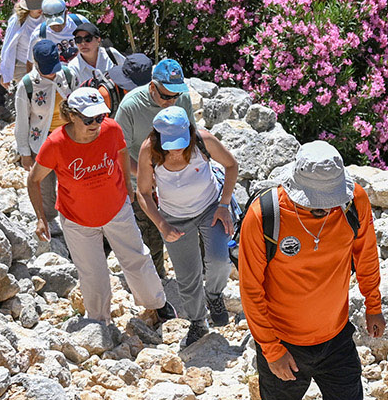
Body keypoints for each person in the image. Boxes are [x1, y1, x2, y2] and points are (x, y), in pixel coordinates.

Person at [239, 142, 383, 400]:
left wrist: (373, 304)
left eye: (329, 202)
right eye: (317, 204)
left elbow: (366, 254)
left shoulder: (352, 202)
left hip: (337, 338)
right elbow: (250, 288)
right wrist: (271, 349)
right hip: (284, 344)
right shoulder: (266, 215)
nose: (325, 210)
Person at [28, 89, 168, 343]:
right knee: (93, 273)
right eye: (88, 119)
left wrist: (127, 185)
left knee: (137, 258)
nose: (95, 124)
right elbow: (34, 179)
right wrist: (40, 217)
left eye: (99, 117)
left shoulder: (111, 129)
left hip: (116, 209)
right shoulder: (55, 143)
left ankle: (158, 307)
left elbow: (122, 151)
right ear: (71, 116)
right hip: (77, 219)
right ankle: (99, 323)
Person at [136, 105, 239, 343]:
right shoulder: (149, 150)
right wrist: (161, 224)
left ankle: (214, 294)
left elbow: (231, 165)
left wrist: (224, 205)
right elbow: (142, 193)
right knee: (187, 276)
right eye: (170, 144)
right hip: (174, 217)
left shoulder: (203, 141)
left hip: (210, 208)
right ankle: (197, 322)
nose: (176, 150)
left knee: (219, 260)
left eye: (180, 142)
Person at [116, 57, 195, 172]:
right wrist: (145, 176)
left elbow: (192, 135)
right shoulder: (130, 106)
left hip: (175, 172)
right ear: (153, 86)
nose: (172, 102)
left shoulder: (183, 98)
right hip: (138, 172)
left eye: (176, 95)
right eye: (166, 97)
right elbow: (120, 151)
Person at [13, 37, 65, 165]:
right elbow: (22, 121)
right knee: (43, 184)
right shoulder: (27, 85)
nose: (52, 74)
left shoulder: (68, 76)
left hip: (69, 140)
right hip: (41, 142)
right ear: (36, 62)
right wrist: (25, 153)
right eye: (47, 70)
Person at [0, 0, 48, 90]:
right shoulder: (18, 20)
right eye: (36, 6)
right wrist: (5, 73)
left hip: (45, 63)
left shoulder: (48, 16)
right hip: (23, 64)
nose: (40, 8)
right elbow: (9, 46)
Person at [61, 21, 127, 100]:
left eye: (88, 39)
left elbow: (129, 75)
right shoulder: (73, 67)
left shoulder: (111, 55)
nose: (83, 43)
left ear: (98, 40)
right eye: (78, 40)